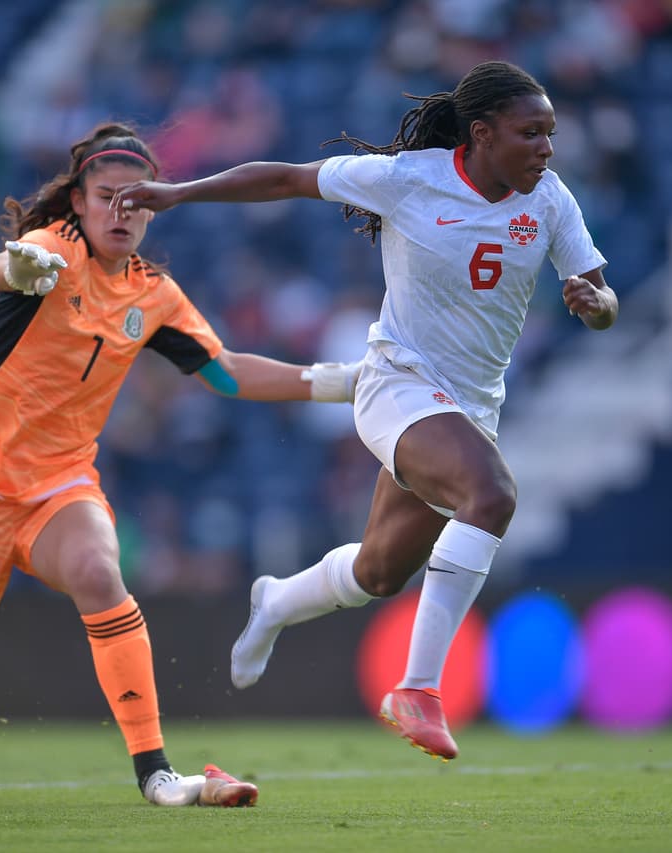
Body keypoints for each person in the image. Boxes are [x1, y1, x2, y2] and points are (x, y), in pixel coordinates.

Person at [117, 60, 619, 761]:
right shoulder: (411, 179)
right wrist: (178, 193)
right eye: (530, 133)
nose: (547, 148)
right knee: (492, 494)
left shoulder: (552, 200)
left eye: (550, 134)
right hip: (397, 386)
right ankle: (417, 687)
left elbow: (600, 294)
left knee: (378, 574)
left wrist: (598, 306)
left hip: (470, 407)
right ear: (481, 134)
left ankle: (277, 601)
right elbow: (287, 177)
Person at [0, 121, 360, 804]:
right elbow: (7, 264)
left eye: (137, 199)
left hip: (61, 484)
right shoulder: (49, 250)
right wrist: (13, 268)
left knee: (96, 568)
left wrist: (340, 381)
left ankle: (156, 773)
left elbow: (228, 374)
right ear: (77, 203)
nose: (123, 211)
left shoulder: (153, 294)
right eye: (107, 196)